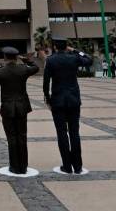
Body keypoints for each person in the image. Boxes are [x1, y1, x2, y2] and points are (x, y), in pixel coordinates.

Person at [43, 37, 93, 175]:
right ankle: (77, 166)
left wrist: (47, 98)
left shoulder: (51, 60)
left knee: (61, 133)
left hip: (58, 100)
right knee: (74, 133)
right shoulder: (74, 58)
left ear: (54, 47)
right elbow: (89, 59)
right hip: (73, 100)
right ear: (66, 47)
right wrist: (76, 51)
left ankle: (67, 165)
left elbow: (46, 81)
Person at [0, 47, 39, 174]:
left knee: (11, 137)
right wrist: (26, 60)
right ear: (16, 57)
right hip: (22, 106)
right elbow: (36, 67)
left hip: (7, 108)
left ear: (5, 57)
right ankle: (23, 166)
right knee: (22, 136)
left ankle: (14, 166)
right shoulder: (23, 69)